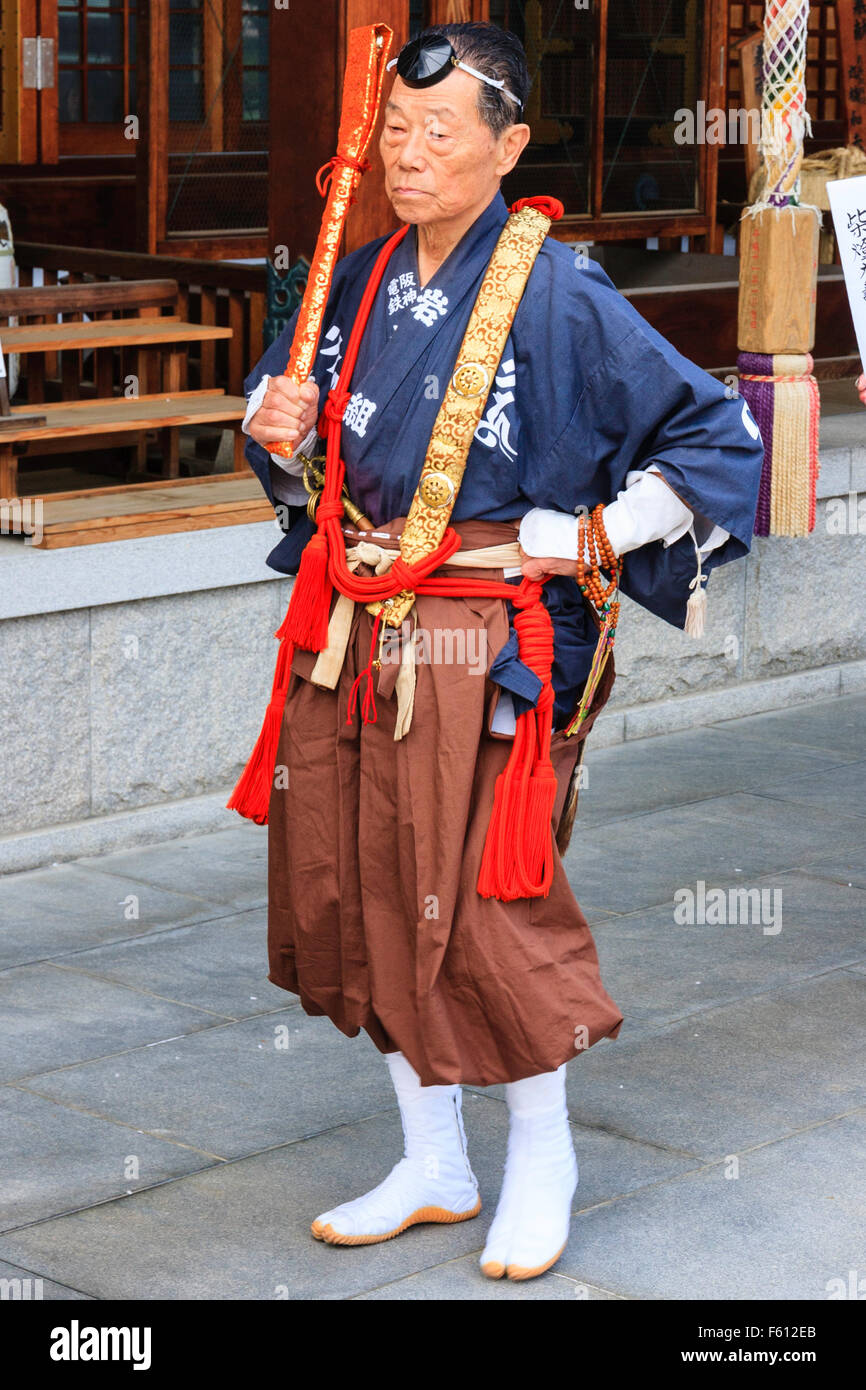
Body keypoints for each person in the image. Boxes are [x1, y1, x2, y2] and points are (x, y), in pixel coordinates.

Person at [241, 21, 765, 1282]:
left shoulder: (554, 287)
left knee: (481, 904)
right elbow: (297, 452)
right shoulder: (359, 277)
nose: (405, 159)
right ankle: (433, 1159)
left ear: (507, 145)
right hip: (355, 632)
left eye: (438, 134)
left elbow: (715, 437)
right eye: (393, 135)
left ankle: (543, 1153)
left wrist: (591, 527)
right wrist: (273, 425)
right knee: (359, 887)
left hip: (492, 645)